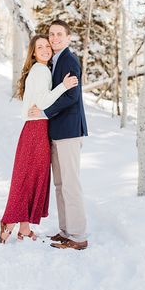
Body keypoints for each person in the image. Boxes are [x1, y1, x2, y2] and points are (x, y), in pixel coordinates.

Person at [0, 35, 79, 244]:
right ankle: (10, 222)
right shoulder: (41, 70)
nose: (44, 49)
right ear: (33, 53)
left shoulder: (40, 70)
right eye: (39, 47)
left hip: (35, 128)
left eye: (47, 46)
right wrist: (64, 86)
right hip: (36, 129)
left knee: (30, 176)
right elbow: (42, 101)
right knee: (28, 178)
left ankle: (24, 227)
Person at [28, 19, 89, 250]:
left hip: (69, 131)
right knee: (61, 185)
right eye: (51, 34)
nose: (54, 38)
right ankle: (66, 231)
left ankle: (78, 235)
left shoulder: (69, 59)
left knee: (71, 185)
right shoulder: (55, 60)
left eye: (59, 34)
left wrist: (44, 112)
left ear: (68, 37)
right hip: (58, 130)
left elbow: (71, 96)